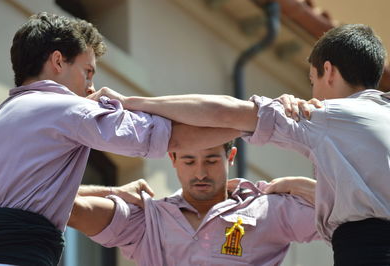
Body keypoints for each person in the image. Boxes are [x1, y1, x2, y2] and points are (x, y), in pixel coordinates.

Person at [90, 24, 390, 265]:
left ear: (330, 71)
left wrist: (132, 102)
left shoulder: (326, 116)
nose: (313, 93)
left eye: (313, 80)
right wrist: (306, 187)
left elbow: (223, 112)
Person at [0, 12, 241, 266]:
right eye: (87, 72)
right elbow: (171, 136)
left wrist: (112, 192)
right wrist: (253, 121)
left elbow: (32, 194)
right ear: (57, 61)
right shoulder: (66, 108)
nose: (91, 86)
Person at [69, 141, 320, 266]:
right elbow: (65, 207)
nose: (200, 173)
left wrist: (299, 185)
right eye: (189, 162)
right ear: (173, 159)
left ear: (230, 157)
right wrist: (112, 190)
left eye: (211, 160)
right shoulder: (147, 221)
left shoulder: (270, 209)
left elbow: (352, 212)